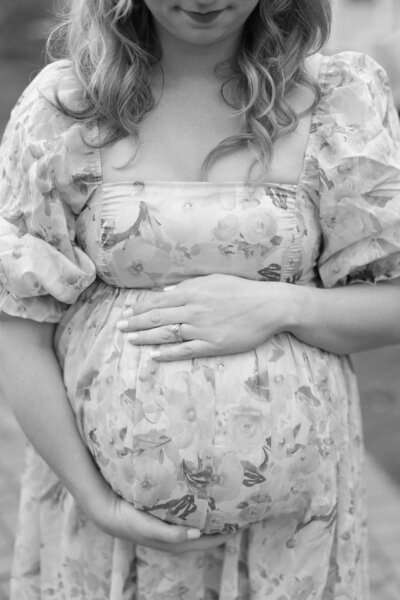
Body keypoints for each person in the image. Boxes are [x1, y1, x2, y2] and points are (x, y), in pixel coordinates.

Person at [1, 0, 400, 598]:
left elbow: (390, 300)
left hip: (290, 541)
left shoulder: (337, 100)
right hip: (107, 533)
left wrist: (281, 307)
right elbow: (16, 326)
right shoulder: (68, 107)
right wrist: (98, 501)